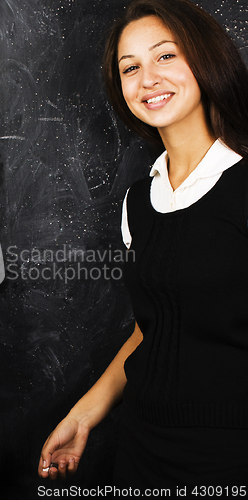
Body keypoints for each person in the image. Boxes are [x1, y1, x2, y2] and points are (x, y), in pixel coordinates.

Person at [39, 0, 248, 488]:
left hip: (232, 451)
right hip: (143, 446)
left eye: (166, 56)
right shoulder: (139, 200)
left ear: (207, 59)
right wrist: (84, 415)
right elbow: (152, 327)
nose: (147, 78)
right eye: (130, 67)